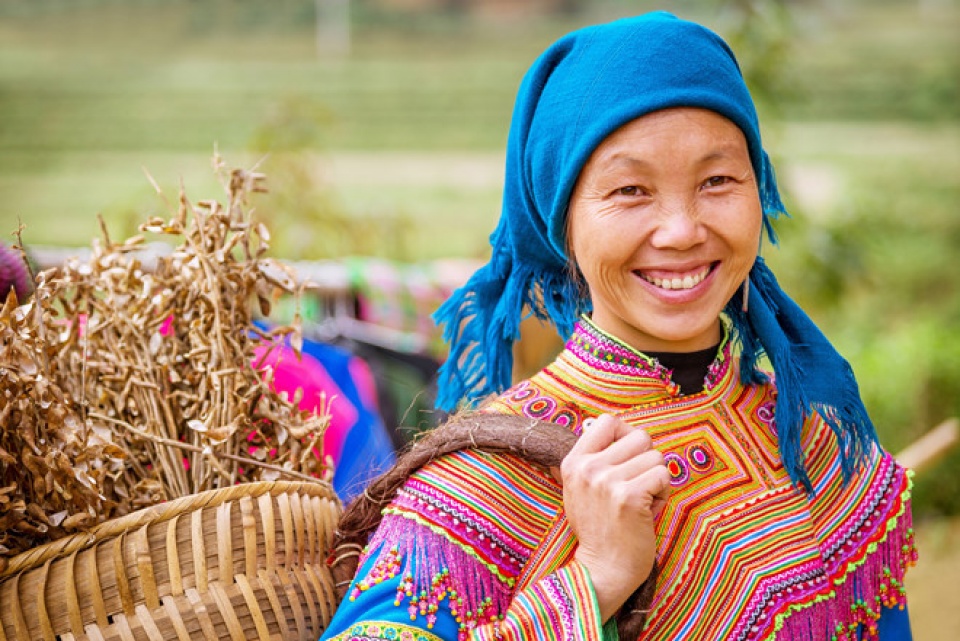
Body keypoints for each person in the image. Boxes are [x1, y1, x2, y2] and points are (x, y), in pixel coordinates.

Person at [320, 12, 916, 641]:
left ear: (757, 190)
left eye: (717, 180)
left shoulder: (831, 464)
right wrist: (594, 579)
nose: (683, 230)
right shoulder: (480, 486)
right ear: (563, 224)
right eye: (631, 190)